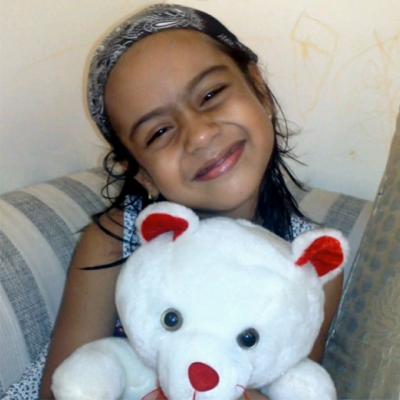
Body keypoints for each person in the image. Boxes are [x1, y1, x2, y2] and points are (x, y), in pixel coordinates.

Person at [6, 4, 343, 399]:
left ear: (259, 89)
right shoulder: (117, 239)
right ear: (141, 172)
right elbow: (64, 387)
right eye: (159, 132)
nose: (199, 135)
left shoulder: (310, 264)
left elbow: (291, 384)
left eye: (211, 94)